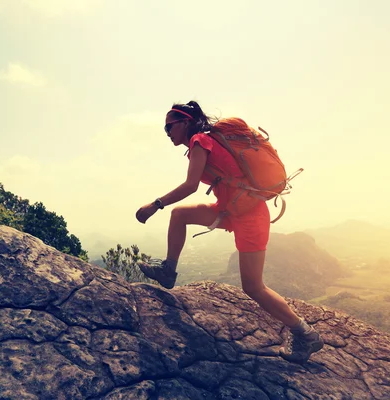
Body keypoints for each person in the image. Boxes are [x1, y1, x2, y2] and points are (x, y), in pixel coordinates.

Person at [135, 100, 324, 363]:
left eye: (169, 127)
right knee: (180, 216)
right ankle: (169, 271)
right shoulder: (207, 141)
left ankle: (305, 334)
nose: (167, 133)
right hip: (232, 210)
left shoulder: (201, 141)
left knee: (253, 286)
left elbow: (190, 186)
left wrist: (156, 204)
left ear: (185, 122)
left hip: (250, 217)